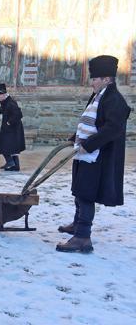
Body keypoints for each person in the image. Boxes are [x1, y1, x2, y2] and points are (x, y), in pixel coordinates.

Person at [56, 55, 131, 253]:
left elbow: (112, 129)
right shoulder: (99, 95)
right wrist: (74, 138)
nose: (92, 82)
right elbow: (89, 120)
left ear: (107, 79)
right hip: (86, 153)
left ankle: (82, 237)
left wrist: (88, 145)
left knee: (86, 195)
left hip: (97, 156)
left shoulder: (115, 100)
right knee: (79, 191)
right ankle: (77, 223)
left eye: (95, 79)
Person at [0, 83, 25, 171]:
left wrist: (9, 122)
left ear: (3, 94)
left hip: (12, 128)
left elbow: (19, 114)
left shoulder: (10, 103)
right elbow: (2, 108)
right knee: (13, 148)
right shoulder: (6, 101)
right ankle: (15, 167)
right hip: (11, 128)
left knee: (1, 143)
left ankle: (10, 162)